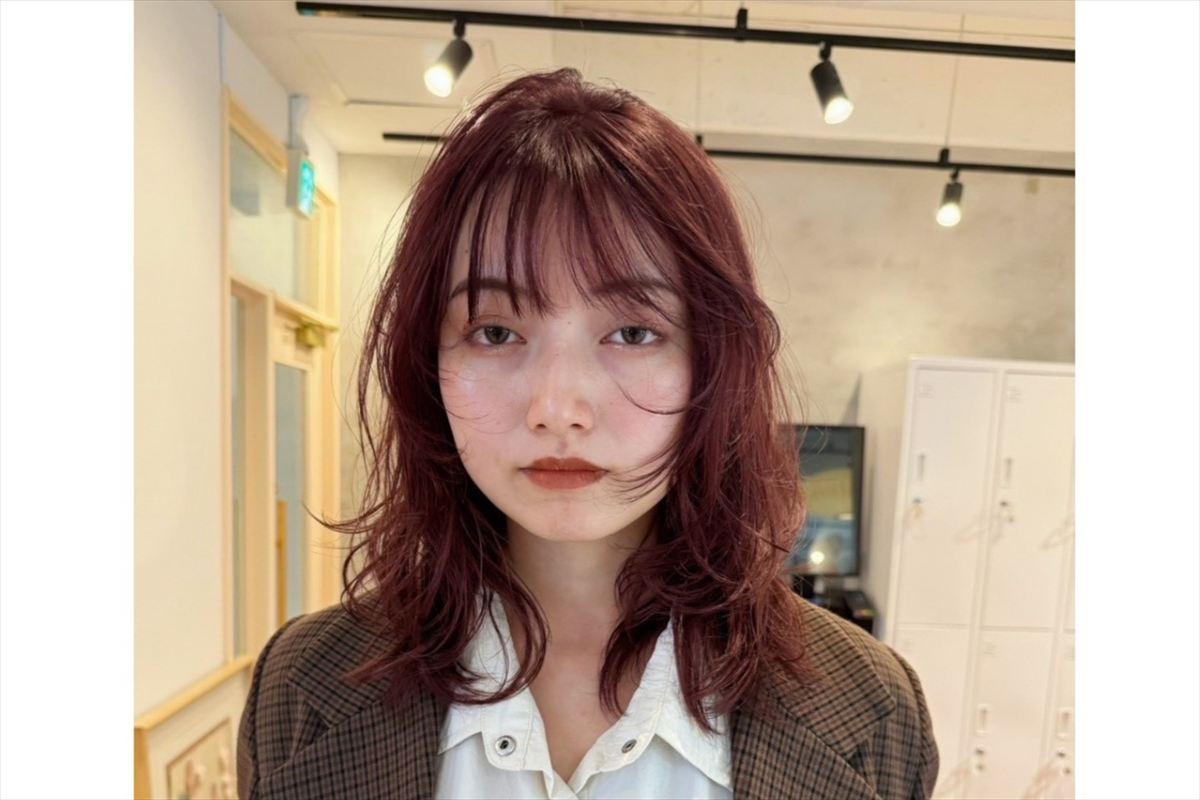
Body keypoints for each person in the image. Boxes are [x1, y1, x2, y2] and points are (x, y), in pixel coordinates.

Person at [236, 68, 938, 800]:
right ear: (427, 361)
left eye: (633, 332)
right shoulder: (302, 687)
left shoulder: (872, 707)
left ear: (713, 360)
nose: (557, 408)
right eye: (495, 331)